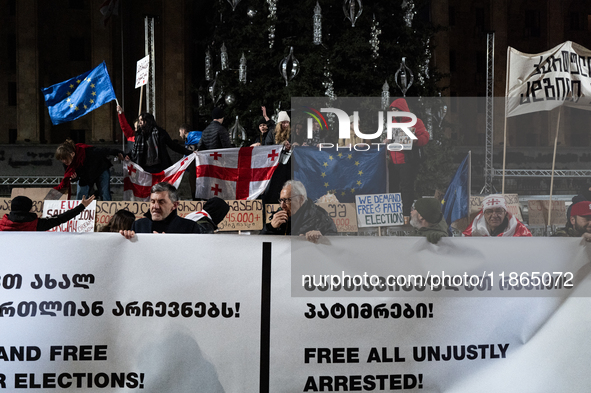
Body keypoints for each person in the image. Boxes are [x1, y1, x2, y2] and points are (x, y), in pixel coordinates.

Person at [386, 98, 429, 225]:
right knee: (392, 187)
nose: (394, 113)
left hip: (407, 160)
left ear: (402, 110)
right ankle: (394, 214)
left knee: (406, 188)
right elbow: (390, 138)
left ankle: (406, 215)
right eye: (392, 110)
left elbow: (425, 137)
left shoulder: (415, 122)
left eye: (396, 110)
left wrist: (415, 140)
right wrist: (386, 141)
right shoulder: (392, 122)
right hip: (393, 161)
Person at [120, 182, 211, 239]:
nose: (155, 206)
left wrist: (166, 243)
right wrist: (127, 240)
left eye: (161, 202)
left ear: (174, 205)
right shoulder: (138, 225)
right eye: (152, 201)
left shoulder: (190, 228)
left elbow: (194, 257)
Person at [261, 180, 337, 242]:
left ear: (301, 199)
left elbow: (335, 243)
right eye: (281, 200)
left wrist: (321, 238)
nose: (282, 205)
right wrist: (270, 228)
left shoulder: (320, 217)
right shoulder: (278, 214)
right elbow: (259, 243)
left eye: (287, 200)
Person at [54, 139, 123, 201]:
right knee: (81, 194)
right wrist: (74, 178)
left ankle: (107, 213)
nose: (64, 161)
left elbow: (104, 151)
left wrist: (117, 152)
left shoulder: (88, 152)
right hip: (85, 176)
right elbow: (72, 175)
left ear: (72, 154)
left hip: (100, 169)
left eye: (65, 158)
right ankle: (79, 212)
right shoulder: (66, 163)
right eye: (61, 159)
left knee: (105, 193)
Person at [129, 112, 194, 173]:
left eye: (141, 120)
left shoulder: (160, 132)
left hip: (159, 168)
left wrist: (190, 153)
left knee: (161, 185)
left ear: (148, 121)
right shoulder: (139, 135)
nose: (139, 123)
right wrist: (125, 155)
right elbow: (134, 152)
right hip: (145, 169)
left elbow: (173, 145)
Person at [0, 195, 95, 231]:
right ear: (28, 209)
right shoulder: (37, 224)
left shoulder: (1, 224)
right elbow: (61, 218)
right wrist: (82, 206)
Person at [463, 195, 532, 237]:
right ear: (484, 214)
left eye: (498, 211)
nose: (494, 215)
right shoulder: (474, 232)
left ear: (505, 213)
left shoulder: (520, 232)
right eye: (489, 211)